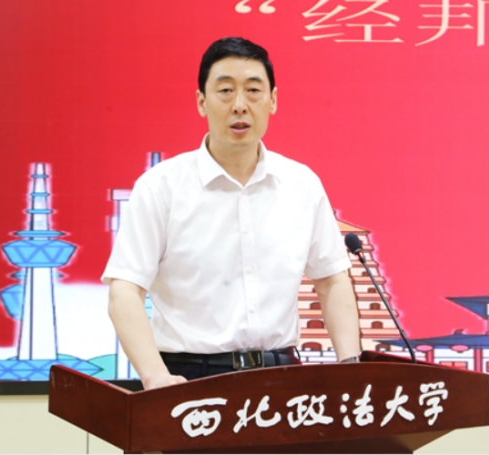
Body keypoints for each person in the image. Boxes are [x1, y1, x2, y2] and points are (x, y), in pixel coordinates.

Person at [102, 37, 360, 390]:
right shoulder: (160, 186)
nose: (240, 105)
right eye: (225, 91)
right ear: (201, 102)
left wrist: (351, 367)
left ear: (272, 100)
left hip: (282, 376)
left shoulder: (302, 184)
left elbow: (331, 280)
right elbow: (125, 290)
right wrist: (155, 376)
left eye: (253, 90)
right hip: (189, 377)